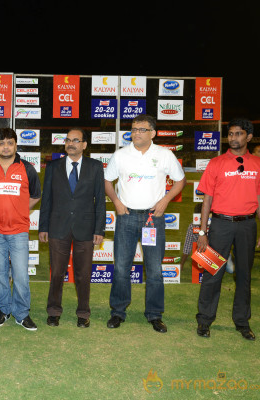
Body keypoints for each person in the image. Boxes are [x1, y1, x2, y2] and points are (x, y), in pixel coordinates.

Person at [104, 114, 186, 333]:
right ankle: (118, 312)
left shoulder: (164, 154)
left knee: (155, 270)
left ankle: (154, 314)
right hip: (126, 216)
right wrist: (117, 203)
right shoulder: (121, 155)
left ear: (153, 133)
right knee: (121, 267)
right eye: (133, 129)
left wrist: (165, 200)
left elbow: (180, 180)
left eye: (141, 129)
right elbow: (106, 180)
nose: (136, 133)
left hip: (153, 218)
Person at [195, 118, 260, 341]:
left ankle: (242, 322)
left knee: (244, 276)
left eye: (238, 134)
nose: (233, 138)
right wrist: (202, 232)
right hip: (220, 224)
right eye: (230, 134)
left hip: (247, 226)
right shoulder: (216, 163)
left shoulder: (258, 164)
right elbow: (206, 201)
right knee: (212, 272)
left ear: (248, 137)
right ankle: (204, 320)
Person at [39, 128, 106, 328]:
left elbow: (100, 201)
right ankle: (53, 311)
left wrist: (99, 230)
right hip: (57, 227)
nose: (71, 143)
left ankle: (83, 313)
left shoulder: (95, 167)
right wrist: (43, 226)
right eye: (68, 140)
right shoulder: (53, 167)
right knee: (57, 272)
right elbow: (47, 199)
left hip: (85, 228)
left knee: (83, 275)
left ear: (84, 145)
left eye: (76, 140)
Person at [0, 128, 41, 331]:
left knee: (21, 274)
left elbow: (35, 195)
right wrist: (0, 209)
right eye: (1, 143)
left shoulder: (27, 168)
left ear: (15, 145)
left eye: (9, 142)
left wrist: (19, 210)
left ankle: (22, 313)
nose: (5, 146)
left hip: (18, 231)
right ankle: (4, 309)